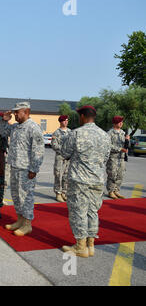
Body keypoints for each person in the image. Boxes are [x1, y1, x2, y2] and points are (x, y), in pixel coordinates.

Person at [60, 105, 111, 258]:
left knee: (78, 212)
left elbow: (65, 153)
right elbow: (105, 158)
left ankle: (80, 247)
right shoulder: (105, 135)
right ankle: (91, 245)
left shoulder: (76, 133)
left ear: (82, 117)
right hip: (97, 180)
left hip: (79, 180)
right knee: (92, 212)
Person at [0, 102, 45, 236]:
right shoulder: (15, 127)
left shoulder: (33, 127)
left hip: (26, 169)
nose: (14, 114)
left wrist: (34, 169)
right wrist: (4, 120)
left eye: (17, 112)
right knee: (17, 196)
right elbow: (2, 132)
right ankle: (20, 220)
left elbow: (38, 151)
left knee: (26, 197)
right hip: (15, 166)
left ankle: (27, 224)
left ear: (26, 111)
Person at [106, 116, 130, 199]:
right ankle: (111, 191)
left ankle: (116, 190)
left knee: (120, 175)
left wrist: (127, 140)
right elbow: (108, 145)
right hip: (113, 157)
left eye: (122, 122)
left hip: (121, 158)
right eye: (119, 122)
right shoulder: (110, 133)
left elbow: (126, 146)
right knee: (112, 174)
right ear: (115, 123)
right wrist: (120, 149)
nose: (121, 123)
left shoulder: (123, 133)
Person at [51, 115, 71, 202]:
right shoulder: (56, 133)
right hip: (60, 156)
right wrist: (63, 151)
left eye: (67, 120)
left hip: (68, 157)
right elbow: (54, 145)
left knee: (66, 175)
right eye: (64, 120)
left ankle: (64, 192)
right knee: (58, 174)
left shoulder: (70, 132)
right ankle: (58, 193)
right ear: (60, 122)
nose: (66, 122)